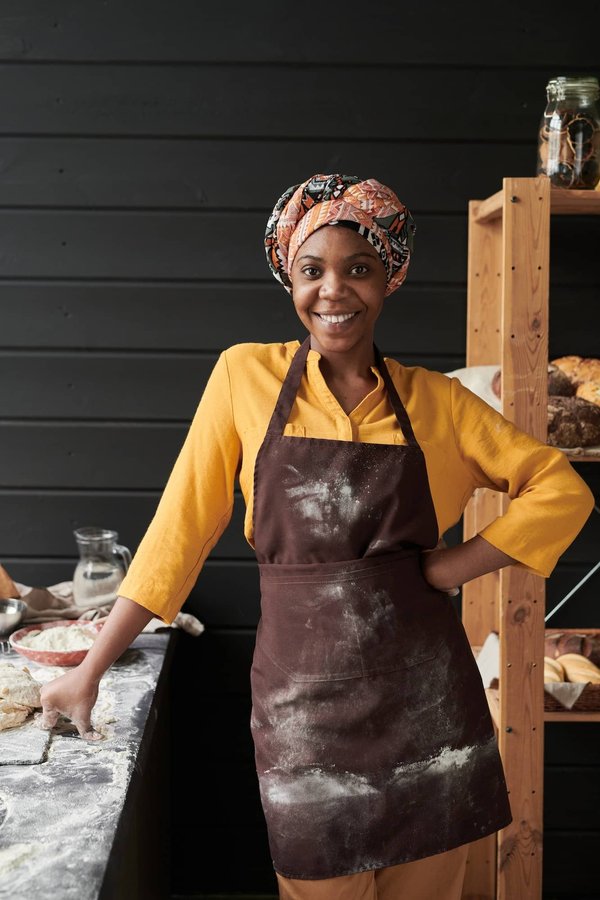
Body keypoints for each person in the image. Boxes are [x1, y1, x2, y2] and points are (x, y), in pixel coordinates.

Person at [40, 173, 595, 899]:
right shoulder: (245, 376)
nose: (334, 290)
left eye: (358, 269)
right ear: (288, 279)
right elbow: (180, 532)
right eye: (312, 271)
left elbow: (562, 487)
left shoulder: (438, 402)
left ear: (388, 279)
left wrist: (451, 568)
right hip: (302, 718)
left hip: (428, 712)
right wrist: (91, 669)